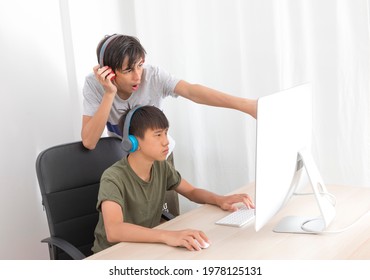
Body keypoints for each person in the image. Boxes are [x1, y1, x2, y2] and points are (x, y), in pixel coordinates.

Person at [91, 105, 255, 253]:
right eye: (158, 135)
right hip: (112, 255)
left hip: (144, 247)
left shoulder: (160, 166)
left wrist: (220, 200)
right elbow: (114, 231)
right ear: (133, 142)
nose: (166, 141)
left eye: (166, 133)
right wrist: (167, 235)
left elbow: (191, 191)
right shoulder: (113, 177)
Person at [82, 33, 257, 150]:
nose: (137, 76)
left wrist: (247, 105)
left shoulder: (153, 75)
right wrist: (109, 93)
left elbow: (192, 91)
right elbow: (89, 142)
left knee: (168, 207)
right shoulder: (94, 85)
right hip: (124, 163)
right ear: (109, 72)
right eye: (128, 70)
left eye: (140, 66)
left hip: (160, 157)